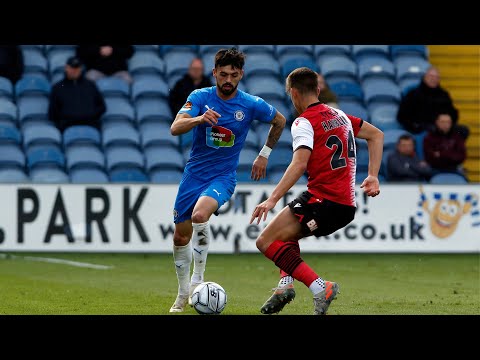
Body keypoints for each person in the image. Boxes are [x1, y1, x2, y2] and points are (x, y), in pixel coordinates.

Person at [250, 67, 384, 315]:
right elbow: (377, 135)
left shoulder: (304, 122)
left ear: (293, 93)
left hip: (324, 201)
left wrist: (272, 199)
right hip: (344, 205)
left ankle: (321, 288)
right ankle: (285, 285)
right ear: (318, 90)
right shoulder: (340, 115)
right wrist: (373, 175)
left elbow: (299, 163)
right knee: (285, 237)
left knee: (265, 241)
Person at [169, 47, 287, 313]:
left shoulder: (250, 103)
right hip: (193, 175)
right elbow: (175, 127)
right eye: (223, 74)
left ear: (241, 75)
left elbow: (280, 120)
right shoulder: (200, 97)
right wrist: (199, 118)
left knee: (200, 216)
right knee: (180, 237)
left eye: (234, 75)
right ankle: (182, 293)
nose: (228, 80)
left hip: (223, 176)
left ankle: (198, 280)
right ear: (214, 73)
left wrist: (264, 155)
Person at [396, 66, 469, 139]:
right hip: (422, 126)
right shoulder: (413, 94)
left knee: (463, 130)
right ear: (424, 77)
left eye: (437, 77)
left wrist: (446, 122)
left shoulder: (444, 94)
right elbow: (402, 116)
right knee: (432, 130)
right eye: (431, 76)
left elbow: (453, 113)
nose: (433, 79)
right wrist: (416, 125)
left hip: (443, 125)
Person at [48, 56, 106, 132]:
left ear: (81, 69)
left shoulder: (90, 85)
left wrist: (90, 115)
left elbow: (102, 107)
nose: (74, 71)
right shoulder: (58, 87)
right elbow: (52, 112)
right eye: (72, 68)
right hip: (67, 126)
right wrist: (65, 118)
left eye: (77, 68)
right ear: (66, 68)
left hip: (90, 125)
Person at [423, 112, 467, 179]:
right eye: (442, 122)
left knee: (464, 180)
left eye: (448, 122)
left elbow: (461, 156)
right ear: (437, 122)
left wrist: (441, 154)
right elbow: (430, 158)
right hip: (435, 169)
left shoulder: (457, 137)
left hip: (454, 168)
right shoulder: (429, 138)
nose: (445, 124)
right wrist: (451, 154)